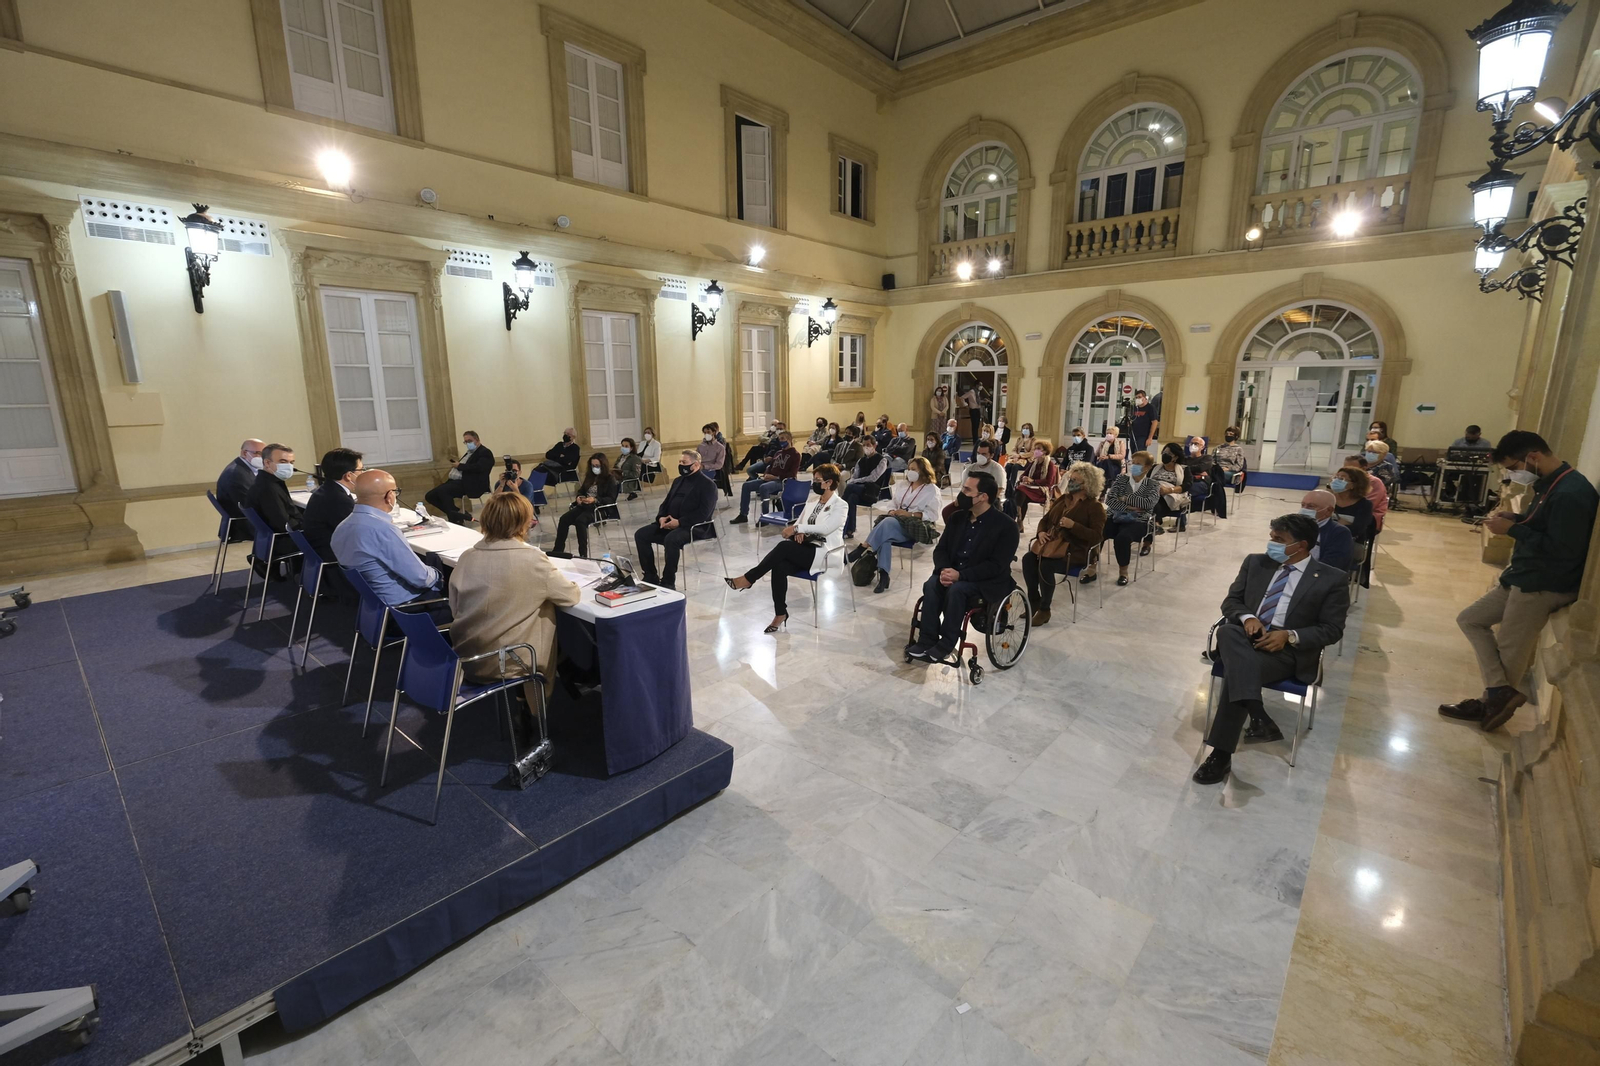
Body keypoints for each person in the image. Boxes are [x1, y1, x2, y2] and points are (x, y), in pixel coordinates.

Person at [1442, 431, 1598, 732]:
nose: (1513, 474)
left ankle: (1493, 705)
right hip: (1522, 575)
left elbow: (1563, 549)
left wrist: (1513, 531)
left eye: (1514, 467)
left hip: (1542, 583)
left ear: (1533, 457)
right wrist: (1516, 520)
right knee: (1471, 619)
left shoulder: (1571, 493)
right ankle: (1499, 691)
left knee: (1510, 650)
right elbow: (1542, 525)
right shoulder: (1550, 484)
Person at [1192, 513, 1349, 784]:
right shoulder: (1256, 563)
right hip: (1244, 638)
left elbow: (1332, 629)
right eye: (1271, 537)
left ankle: (1221, 755)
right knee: (1229, 630)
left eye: (1279, 539)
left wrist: (1289, 636)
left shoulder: (1331, 579)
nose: (1271, 544)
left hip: (1285, 653)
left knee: (1236, 674)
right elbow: (1231, 601)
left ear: (1300, 546)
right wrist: (1248, 618)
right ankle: (1258, 715)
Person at [448, 491, 582, 704]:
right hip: (508, 660)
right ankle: (536, 699)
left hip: (467, 656)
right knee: (546, 611)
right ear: (523, 523)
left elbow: (455, 608)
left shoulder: (467, 557)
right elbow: (570, 596)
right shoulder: (532, 559)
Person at [906, 470, 1020, 663]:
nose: (962, 493)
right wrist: (944, 570)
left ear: (983, 497)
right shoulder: (958, 518)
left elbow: (996, 566)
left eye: (967, 490)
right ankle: (927, 640)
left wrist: (961, 575)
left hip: (985, 580)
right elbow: (940, 550)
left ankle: (947, 643)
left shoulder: (1006, 527)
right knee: (932, 584)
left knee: (957, 590)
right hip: (953, 572)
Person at [725, 463, 848, 631]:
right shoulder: (812, 501)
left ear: (829, 483)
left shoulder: (841, 505)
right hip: (806, 548)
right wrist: (798, 529)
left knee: (784, 547)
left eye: (818, 480)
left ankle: (749, 578)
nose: (814, 483)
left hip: (825, 553)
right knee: (779, 566)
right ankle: (780, 613)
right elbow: (800, 521)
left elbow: (826, 529)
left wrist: (799, 529)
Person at [331, 470, 447, 610]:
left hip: (373, 607)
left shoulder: (341, 527)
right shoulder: (381, 529)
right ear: (389, 496)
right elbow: (421, 579)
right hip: (406, 609)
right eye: (395, 491)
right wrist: (438, 574)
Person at [1021, 462, 1107, 626]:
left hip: (1076, 551)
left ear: (1087, 484)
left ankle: (1045, 609)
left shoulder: (1094, 507)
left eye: (1076, 480)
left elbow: (1096, 537)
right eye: (1071, 478)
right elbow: (1045, 520)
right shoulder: (1063, 499)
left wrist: (1073, 526)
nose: (1071, 482)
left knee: (1045, 566)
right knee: (1028, 559)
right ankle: (1034, 600)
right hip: (1052, 545)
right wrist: (1040, 533)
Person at [847, 456, 942, 593]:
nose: (910, 472)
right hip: (895, 524)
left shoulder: (931, 489)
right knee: (886, 537)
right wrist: (892, 510)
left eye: (913, 469)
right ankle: (884, 576)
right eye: (909, 469)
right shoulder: (903, 485)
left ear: (923, 471)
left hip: (914, 526)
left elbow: (933, 515)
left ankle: (864, 546)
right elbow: (892, 503)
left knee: (887, 523)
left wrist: (910, 514)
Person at [635, 450, 718, 591]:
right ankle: (650, 575)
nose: (680, 465)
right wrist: (661, 517)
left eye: (684, 463)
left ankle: (668, 580)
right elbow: (666, 503)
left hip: (694, 527)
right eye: (680, 462)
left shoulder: (708, 485)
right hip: (670, 523)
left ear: (696, 465)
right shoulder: (679, 481)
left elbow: (703, 513)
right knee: (641, 534)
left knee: (671, 539)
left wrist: (679, 522)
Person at [1083, 451, 1161, 586]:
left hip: (1139, 520)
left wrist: (1125, 498)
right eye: (1132, 463)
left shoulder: (1153, 484)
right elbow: (1110, 500)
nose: (1134, 466)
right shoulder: (1121, 479)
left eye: (1138, 464)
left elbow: (1148, 504)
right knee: (1097, 532)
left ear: (1147, 467)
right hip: (1115, 516)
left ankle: (1123, 572)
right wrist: (1130, 507)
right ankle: (1091, 568)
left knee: (1122, 538)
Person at [300, 447, 363, 562]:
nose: (362, 474)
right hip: (332, 556)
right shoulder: (338, 499)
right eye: (361, 470)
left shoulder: (327, 489)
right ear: (349, 475)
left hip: (318, 551)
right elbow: (357, 534)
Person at [551, 453, 618, 558]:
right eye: (593, 466)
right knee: (564, 519)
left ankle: (583, 554)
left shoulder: (610, 479)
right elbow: (581, 490)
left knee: (580, 521)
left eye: (597, 466)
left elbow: (611, 499)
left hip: (599, 508)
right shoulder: (590, 477)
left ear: (603, 466)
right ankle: (558, 550)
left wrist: (595, 499)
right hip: (585, 505)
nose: (594, 468)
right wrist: (580, 497)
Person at [426, 430, 495, 524]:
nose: (468, 443)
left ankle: (456, 519)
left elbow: (479, 467)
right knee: (430, 496)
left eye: (469, 441)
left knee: (444, 491)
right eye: (465, 442)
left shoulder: (485, 452)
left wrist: (459, 466)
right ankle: (458, 513)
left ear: (477, 440)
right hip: (456, 481)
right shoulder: (469, 452)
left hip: (472, 484)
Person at [731, 429, 800, 523]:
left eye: (783, 439)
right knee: (746, 486)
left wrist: (775, 477)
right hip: (770, 478)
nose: (781, 441)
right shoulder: (778, 453)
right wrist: (766, 474)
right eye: (779, 439)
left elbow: (792, 474)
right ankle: (743, 514)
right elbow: (770, 466)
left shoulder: (795, 455)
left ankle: (765, 516)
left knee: (764, 488)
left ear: (789, 440)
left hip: (782, 481)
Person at [246, 442, 302, 535]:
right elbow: (284, 525)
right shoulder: (268, 488)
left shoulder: (267, 481)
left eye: (291, 462)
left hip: (271, 538)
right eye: (283, 462)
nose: (289, 466)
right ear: (267, 463)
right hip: (286, 540)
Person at [840, 433, 889, 539]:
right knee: (851, 497)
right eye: (864, 445)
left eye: (868, 445)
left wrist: (856, 481)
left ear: (874, 445)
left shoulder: (882, 460)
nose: (866, 447)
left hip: (872, 490)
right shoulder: (861, 461)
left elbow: (873, 478)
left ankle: (839, 514)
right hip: (859, 489)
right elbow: (855, 475)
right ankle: (849, 530)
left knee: (849, 487)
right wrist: (854, 480)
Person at [217, 438, 265, 531]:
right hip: (242, 524)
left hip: (242, 519)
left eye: (264, 454)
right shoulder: (237, 474)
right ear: (244, 453)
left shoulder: (242, 468)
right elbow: (249, 506)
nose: (262, 457)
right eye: (257, 453)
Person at [1299, 488, 1353, 572]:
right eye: (1303, 505)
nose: (1304, 509)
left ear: (1328, 510)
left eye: (1311, 506)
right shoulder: (1292, 527)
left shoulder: (1340, 533)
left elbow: (1330, 567)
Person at [1010, 436, 1059, 523]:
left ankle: (1015, 516)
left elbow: (1049, 482)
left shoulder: (1050, 465)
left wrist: (1033, 481)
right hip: (1030, 490)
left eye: (1039, 449)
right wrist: (1024, 478)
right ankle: (1018, 520)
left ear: (1045, 451)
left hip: (1042, 491)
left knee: (1021, 490)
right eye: (1035, 448)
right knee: (1021, 494)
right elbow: (1023, 475)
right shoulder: (1034, 463)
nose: (1036, 451)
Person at [1152, 443, 1192, 532]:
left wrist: (1169, 490)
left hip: (1169, 497)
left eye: (1169, 453)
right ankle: (1154, 525)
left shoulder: (1184, 469)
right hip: (1152, 493)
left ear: (1175, 457)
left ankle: (1155, 524)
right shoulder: (1155, 467)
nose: (1165, 455)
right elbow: (1146, 480)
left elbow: (1187, 485)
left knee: (1154, 502)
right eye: (1164, 452)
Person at [1330, 466, 1376, 543]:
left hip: (1351, 542)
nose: (1336, 481)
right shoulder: (1327, 499)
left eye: (1342, 479)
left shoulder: (1364, 505)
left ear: (1353, 485)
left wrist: (1330, 523)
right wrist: (1342, 523)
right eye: (1336, 477)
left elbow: (1357, 530)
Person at [1214, 426, 1246, 492]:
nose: (1228, 435)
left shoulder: (1238, 449)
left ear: (1236, 437)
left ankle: (1218, 496)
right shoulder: (1218, 448)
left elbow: (1239, 466)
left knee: (1218, 476)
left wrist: (1228, 468)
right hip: (1217, 470)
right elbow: (1212, 460)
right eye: (1227, 434)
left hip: (1230, 473)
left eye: (1231, 434)